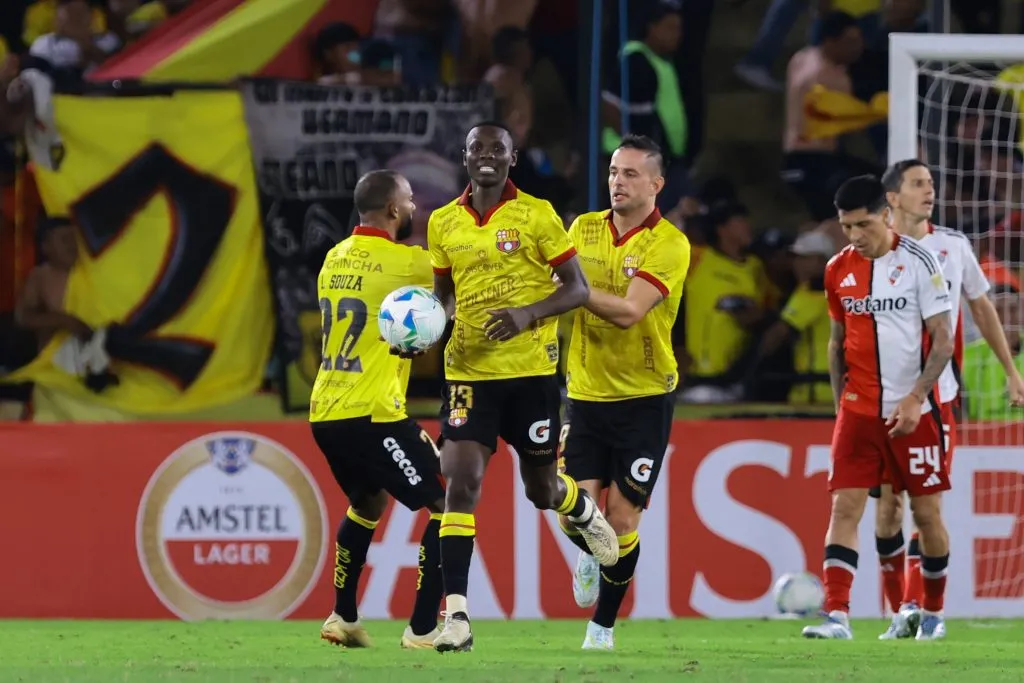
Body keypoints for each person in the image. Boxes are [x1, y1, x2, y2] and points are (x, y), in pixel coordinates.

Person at [425, 121, 618, 653]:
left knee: (542, 491)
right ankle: (457, 618)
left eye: (497, 149)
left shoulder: (538, 214)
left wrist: (528, 314)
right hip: (467, 375)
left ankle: (580, 508)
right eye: (476, 148)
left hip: (531, 376)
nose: (486, 156)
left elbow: (577, 289)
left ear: (513, 159)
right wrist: (424, 332)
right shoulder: (442, 222)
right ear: (464, 158)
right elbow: (443, 295)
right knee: (458, 481)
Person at [873, 159, 1024, 638]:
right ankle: (901, 610)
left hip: (936, 399)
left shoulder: (953, 246)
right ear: (893, 197)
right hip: (879, 401)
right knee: (886, 511)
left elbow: (982, 307)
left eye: (932, 183)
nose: (930, 191)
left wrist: (1010, 370)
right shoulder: (869, 249)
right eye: (918, 184)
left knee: (925, 506)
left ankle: (928, 610)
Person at [803, 175, 954, 640]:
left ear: (886, 215)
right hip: (859, 411)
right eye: (847, 227)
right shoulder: (836, 270)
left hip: (913, 414)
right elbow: (835, 346)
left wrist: (914, 398)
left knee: (926, 517)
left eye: (863, 225)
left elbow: (944, 340)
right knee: (844, 510)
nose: (855, 236)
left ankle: (931, 613)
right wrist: (840, 408)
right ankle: (837, 616)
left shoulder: (920, 262)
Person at [558, 134, 691, 650]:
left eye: (631, 174)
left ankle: (602, 628)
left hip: (645, 398)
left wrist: (574, 290)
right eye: (614, 171)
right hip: (586, 394)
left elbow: (631, 311)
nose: (618, 181)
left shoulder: (669, 244)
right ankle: (590, 552)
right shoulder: (583, 229)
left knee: (620, 519)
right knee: (576, 512)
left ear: (656, 185)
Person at [309, 170, 447, 650]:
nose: (413, 209)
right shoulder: (407, 263)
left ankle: (343, 616)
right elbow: (458, 283)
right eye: (410, 201)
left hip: (326, 409)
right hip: (373, 412)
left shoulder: (334, 258)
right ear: (393, 210)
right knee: (449, 507)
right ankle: (424, 628)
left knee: (368, 504)